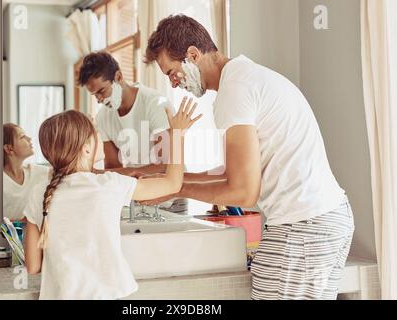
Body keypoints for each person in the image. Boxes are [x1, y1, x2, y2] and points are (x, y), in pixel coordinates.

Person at [143, 14, 355, 300]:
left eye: (171, 73)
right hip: (326, 220)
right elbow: (235, 173)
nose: (174, 84)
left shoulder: (235, 91)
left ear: (192, 55)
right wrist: (169, 179)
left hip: (303, 228)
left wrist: (174, 187)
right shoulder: (248, 77)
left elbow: (242, 191)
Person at [23, 103, 201, 300]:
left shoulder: (39, 193)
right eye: (96, 133)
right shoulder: (108, 185)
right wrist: (177, 134)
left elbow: (33, 266)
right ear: (86, 148)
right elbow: (172, 184)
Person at [77, 50, 188, 214]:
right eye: (95, 95)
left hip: (170, 199)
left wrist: (100, 173)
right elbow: (114, 168)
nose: (99, 100)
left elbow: (166, 165)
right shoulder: (103, 117)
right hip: (137, 199)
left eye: (101, 91)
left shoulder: (154, 103)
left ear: (118, 77)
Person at [3, 123, 50, 221]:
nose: (29, 139)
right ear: (9, 148)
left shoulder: (38, 172)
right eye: (22, 137)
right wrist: (25, 221)